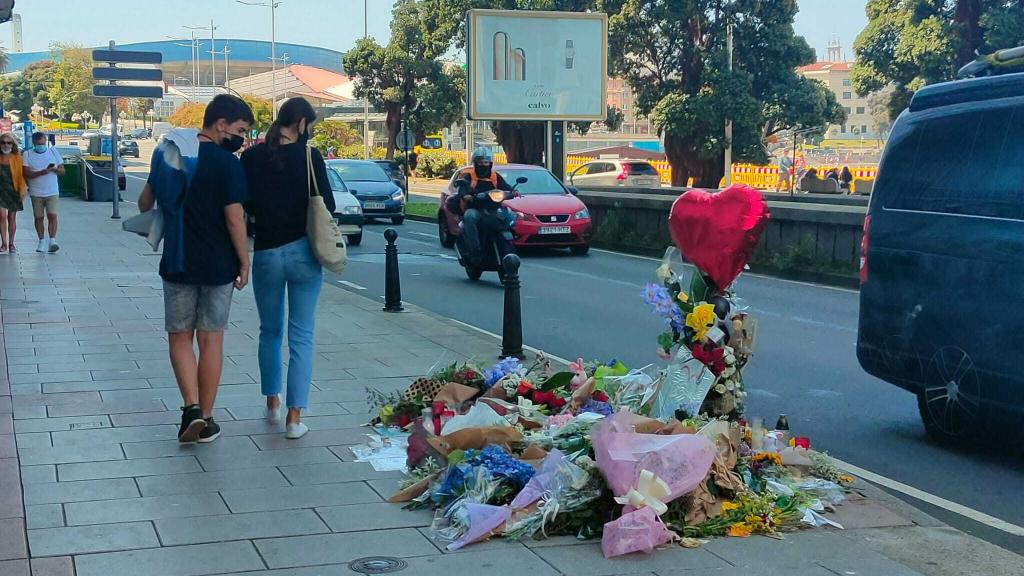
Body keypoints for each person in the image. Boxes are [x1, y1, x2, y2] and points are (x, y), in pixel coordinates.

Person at [138, 94, 254, 443]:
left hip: (177, 260)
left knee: (179, 336)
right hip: (218, 265)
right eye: (240, 129)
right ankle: (206, 417)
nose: (242, 137)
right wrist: (244, 261)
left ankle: (189, 406)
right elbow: (235, 218)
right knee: (211, 338)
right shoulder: (228, 163)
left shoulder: (167, 153)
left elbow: (145, 202)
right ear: (221, 125)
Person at [240, 97, 335, 439]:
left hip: (266, 253)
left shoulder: (251, 156)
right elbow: (329, 203)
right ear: (300, 124)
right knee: (301, 336)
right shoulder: (311, 157)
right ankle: (294, 419)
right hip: (304, 254)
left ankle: (272, 403)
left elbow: (245, 204)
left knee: (269, 331)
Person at [449, 147, 512, 265]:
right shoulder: (469, 176)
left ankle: (506, 246)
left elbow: (506, 187)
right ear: (475, 163)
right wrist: (466, 195)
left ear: (490, 163)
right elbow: (462, 189)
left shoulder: (495, 176)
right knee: (469, 217)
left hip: (493, 209)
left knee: (509, 215)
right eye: (480, 162)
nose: (483, 165)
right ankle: (475, 250)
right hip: (476, 208)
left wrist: (513, 192)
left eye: (486, 162)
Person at [22, 132, 64, 253]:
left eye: (43, 143)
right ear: (34, 143)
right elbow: (26, 173)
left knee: (52, 215)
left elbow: (62, 171)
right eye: (39, 144)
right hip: (36, 192)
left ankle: (52, 240)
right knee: (38, 217)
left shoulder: (53, 152)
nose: (41, 146)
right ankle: (41, 240)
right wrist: (41, 172)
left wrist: (54, 169)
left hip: (52, 190)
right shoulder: (27, 154)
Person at [0, 133, 27, 253]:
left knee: (12, 218)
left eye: (9, 143)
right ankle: (4, 244)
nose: (6, 145)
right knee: (2, 216)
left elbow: (21, 176)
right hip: (1, 190)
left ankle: (11, 243)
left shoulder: (17, 158)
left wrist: (22, 191)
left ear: (13, 144)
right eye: (3, 142)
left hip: (13, 190)